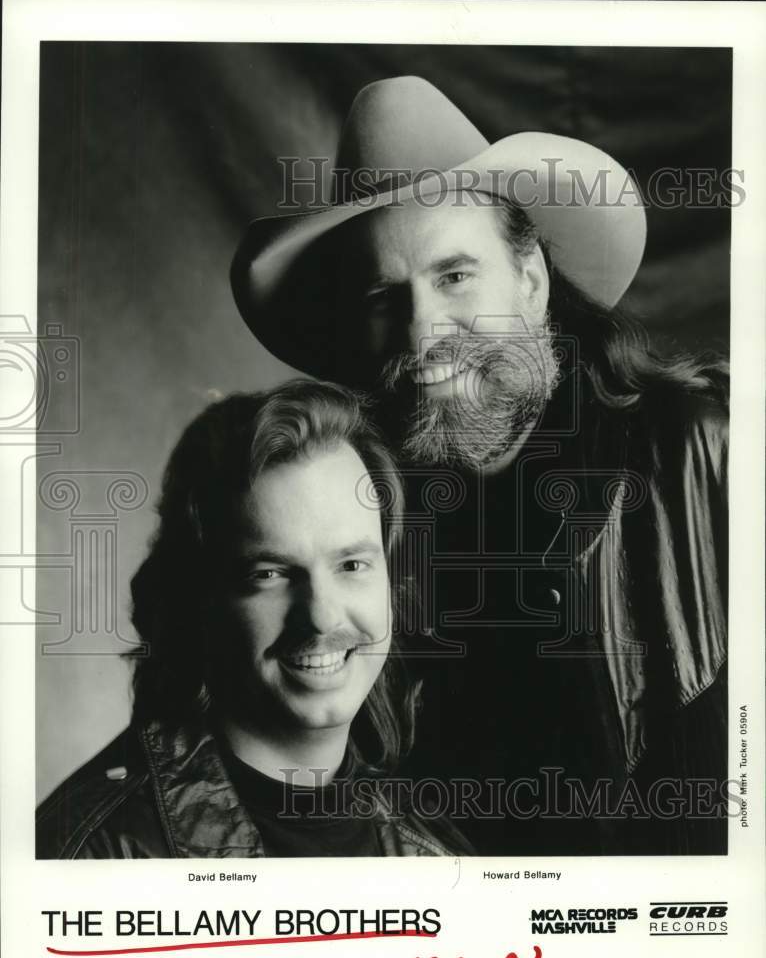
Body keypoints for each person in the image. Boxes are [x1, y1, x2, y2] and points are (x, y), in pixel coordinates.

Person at [231, 76, 729, 855]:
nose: (424, 330)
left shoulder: (690, 445)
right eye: (383, 295)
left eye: (454, 276)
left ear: (531, 283)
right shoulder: (363, 499)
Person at [36, 379, 471, 859]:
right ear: (198, 599)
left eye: (351, 565)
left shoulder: (434, 856)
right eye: (269, 573)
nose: (322, 617)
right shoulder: (91, 856)